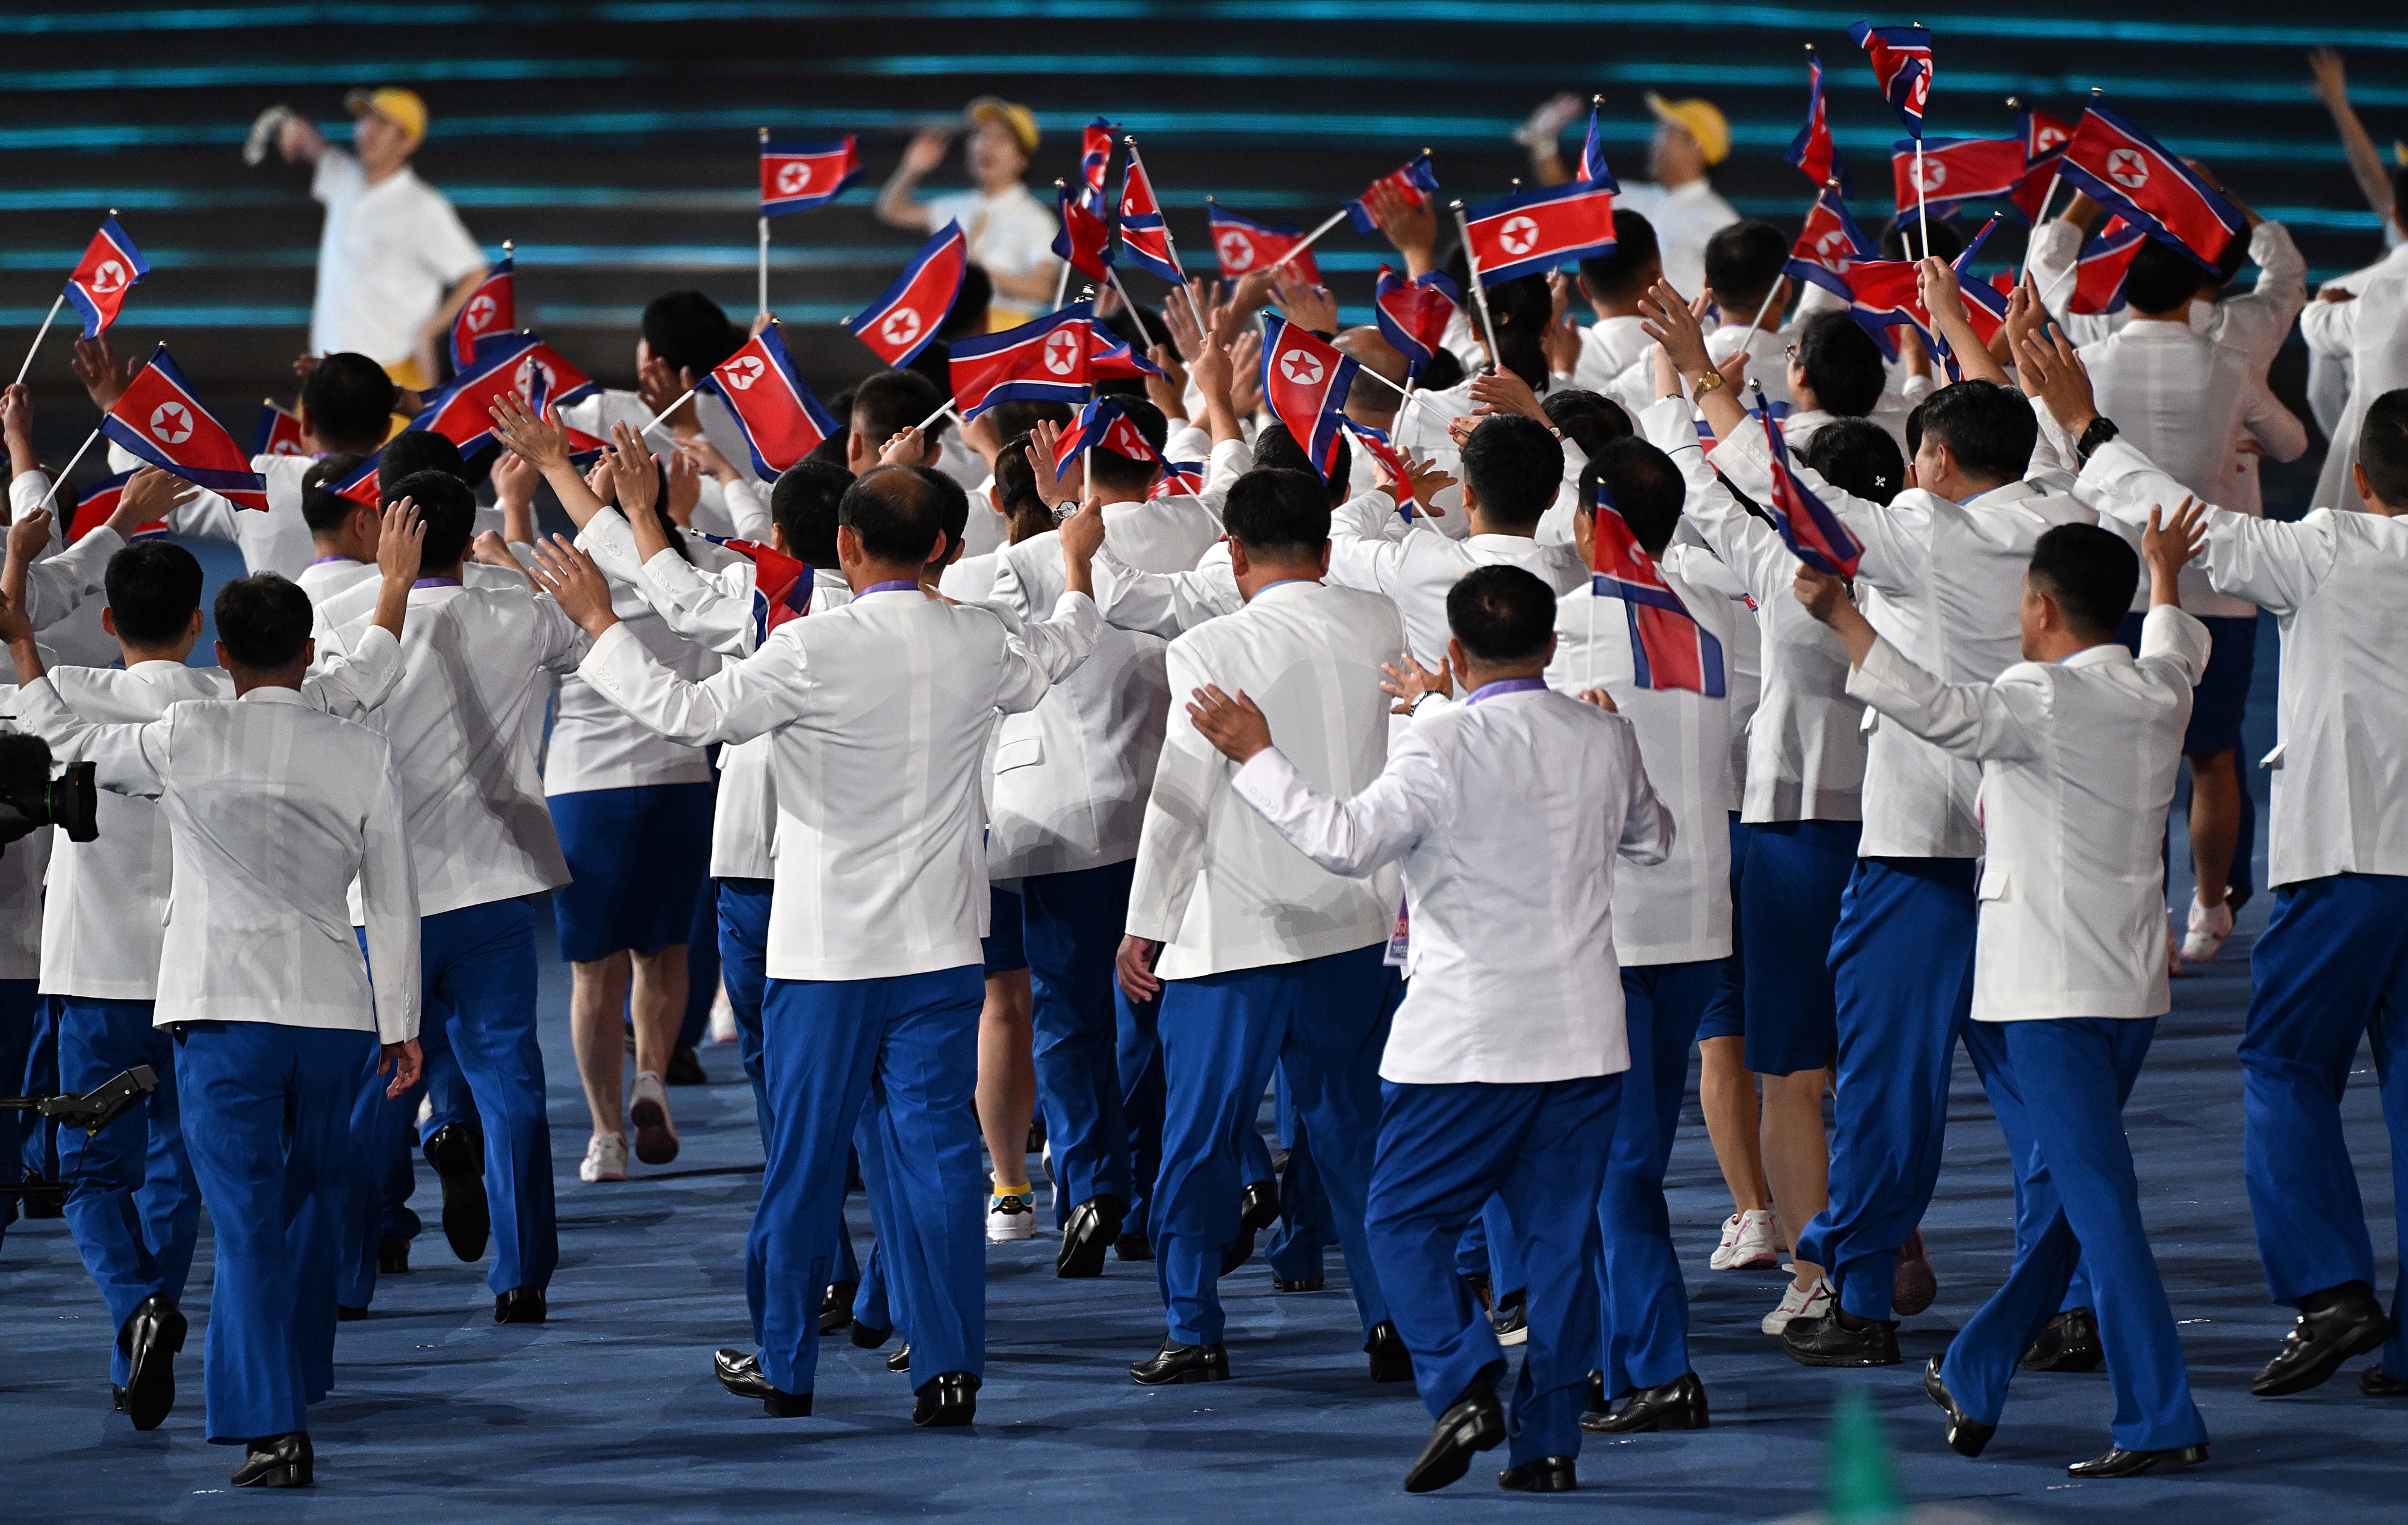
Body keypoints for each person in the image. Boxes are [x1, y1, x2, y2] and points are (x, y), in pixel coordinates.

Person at [527, 464, 1097, 1426]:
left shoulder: (811, 647)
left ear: (845, 546)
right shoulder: (978, 640)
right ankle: (950, 1367)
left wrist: (599, 626)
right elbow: (1067, 645)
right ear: (948, 552)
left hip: (825, 954)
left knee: (805, 1160)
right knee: (942, 1157)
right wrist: (1077, 566)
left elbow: (690, 715)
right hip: (941, 949)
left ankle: (788, 1365)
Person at [1652, 273, 2099, 1364]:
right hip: (2032, 845)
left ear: (1936, 464)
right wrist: (1957, 331)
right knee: (2038, 1083)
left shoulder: (1930, 535)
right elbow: (2008, 438)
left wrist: (1706, 377)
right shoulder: (2065, 514)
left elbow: (1784, 492)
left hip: (1917, 851)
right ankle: (2066, 1293)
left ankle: (1856, 1292)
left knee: (1890, 1087)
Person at [1187, 563, 1671, 1492]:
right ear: (1553, 647)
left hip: (1466, 1043)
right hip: (1583, 1039)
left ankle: (1464, 1378)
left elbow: (1346, 841)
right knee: (1564, 1247)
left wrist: (1257, 754)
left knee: (1402, 1220)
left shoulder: (1441, 747)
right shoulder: (1600, 735)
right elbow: (1652, 840)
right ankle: (1551, 1444)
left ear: (1452, 650)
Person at [1801, 505, 2213, 1477]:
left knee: (2101, 1206)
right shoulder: (2161, 691)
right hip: (2125, 988)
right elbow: (2173, 643)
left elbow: (1938, 708)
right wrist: (2163, 575)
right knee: (2082, 1198)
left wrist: (1844, 620)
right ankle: (1979, 1365)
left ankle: (2160, 1414)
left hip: (2044, 992)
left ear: (2037, 608)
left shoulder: (2038, 696)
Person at [2037, 334, 2408, 1399]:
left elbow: (2180, 522)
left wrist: (2083, 424)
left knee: (2286, 1066)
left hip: (2346, 857)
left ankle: (2331, 1287)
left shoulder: (2330, 545)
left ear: (2367, 478)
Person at [7, 565, 422, 1489]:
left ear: (221, 654)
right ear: (309, 653)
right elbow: (392, 900)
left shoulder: (189, 733)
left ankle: (272, 1427)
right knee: (312, 1199)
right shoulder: (360, 750)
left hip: (223, 1012)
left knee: (242, 1222)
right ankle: (303, 1375)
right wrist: (399, 1020)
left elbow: (65, 736)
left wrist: (27, 647)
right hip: (330, 1013)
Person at [1113, 467, 1407, 1388]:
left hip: (1234, 935)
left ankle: (1194, 1325)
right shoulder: (1382, 621)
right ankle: (1396, 1319)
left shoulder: (1206, 646)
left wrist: (1144, 923)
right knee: (1361, 1140)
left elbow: (1182, 797)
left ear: (1231, 554)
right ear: (1326, 548)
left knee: (1200, 1141)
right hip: (1356, 925)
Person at [313, 467, 588, 1324]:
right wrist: (504, 563)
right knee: (510, 1084)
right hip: (495, 889)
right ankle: (522, 1274)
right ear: (468, 535)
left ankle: (352, 1271)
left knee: (371, 1089)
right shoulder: (521, 610)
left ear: (390, 531)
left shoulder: (344, 620)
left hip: (382, 902)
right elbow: (588, 645)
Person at [1634, 373, 1866, 1333]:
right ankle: (1883, 1239)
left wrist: (1674, 378)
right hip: (1915, 832)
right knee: (1884, 1068)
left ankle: (1819, 1273)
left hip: (1789, 833)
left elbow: (1685, 475)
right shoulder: (1946, 563)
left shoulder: (1784, 565)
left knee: (1790, 1070)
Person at [1540, 441, 1733, 1436]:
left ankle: (1657, 1365)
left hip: (1609, 929)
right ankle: (1616, 1357)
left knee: (1610, 1162)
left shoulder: (1566, 626)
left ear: (1587, 524)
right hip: (1698, 924)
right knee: (1626, 1159)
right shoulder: (1711, 624)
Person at [2052, 219, 2305, 964]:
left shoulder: (2089, 364)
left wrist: (2072, 213)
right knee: (2213, 757)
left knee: (2132, 764)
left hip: (2117, 587)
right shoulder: (2228, 361)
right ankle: (2206, 911)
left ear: (2123, 285)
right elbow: (2289, 442)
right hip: (2218, 587)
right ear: (2200, 288)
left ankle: (2147, 926)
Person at [77, 340, 398, 581]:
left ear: (307, 420)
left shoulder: (260, 483)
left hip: (277, 664)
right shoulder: (413, 483)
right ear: (386, 428)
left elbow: (157, 495)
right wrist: (376, 391)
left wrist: (117, 408)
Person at [252, 87, 488, 389]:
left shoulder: (423, 206)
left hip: (389, 374)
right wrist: (291, 127)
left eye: (382, 124)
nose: (367, 131)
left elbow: (476, 273)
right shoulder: (343, 175)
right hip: (326, 367)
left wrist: (428, 332)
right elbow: (311, 142)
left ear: (408, 141)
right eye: (366, 120)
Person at [1520, 92, 1737, 299]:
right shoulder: (1637, 199)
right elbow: (1571, 197)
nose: (1653, 142)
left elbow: (1740, 296)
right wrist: (1544, 142)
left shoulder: (1720, 221)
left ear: (1696, 146)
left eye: (1665, 133)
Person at [877, 97, 1061, 325]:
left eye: (1002, 138)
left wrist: (976, 273)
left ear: (1022, 160)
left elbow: (1043, 289)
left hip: (1002, 333)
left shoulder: (1035, 220)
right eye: (982, 134)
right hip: (951, 326)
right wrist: (911, 169)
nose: (987, 145)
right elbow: (893, 211)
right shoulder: (956, 206)